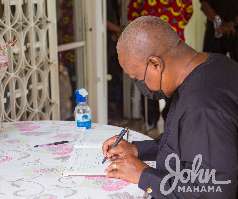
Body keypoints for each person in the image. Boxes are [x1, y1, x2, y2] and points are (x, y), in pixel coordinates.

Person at [102, 16, 238, 198]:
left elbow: (213, 191)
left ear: (155, 64)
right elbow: (184, 140)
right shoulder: (214, 64)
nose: (139, 85)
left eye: (136, 78)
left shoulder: (202, 107)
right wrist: (137, 150)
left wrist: (143, 175)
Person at [127, 0, 193, 128]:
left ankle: (169, 118)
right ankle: (152, 119)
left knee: (173, 80)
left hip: (173, 42)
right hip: (149, 43)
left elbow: (188, 12)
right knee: (148, 79)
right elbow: (132, 13)